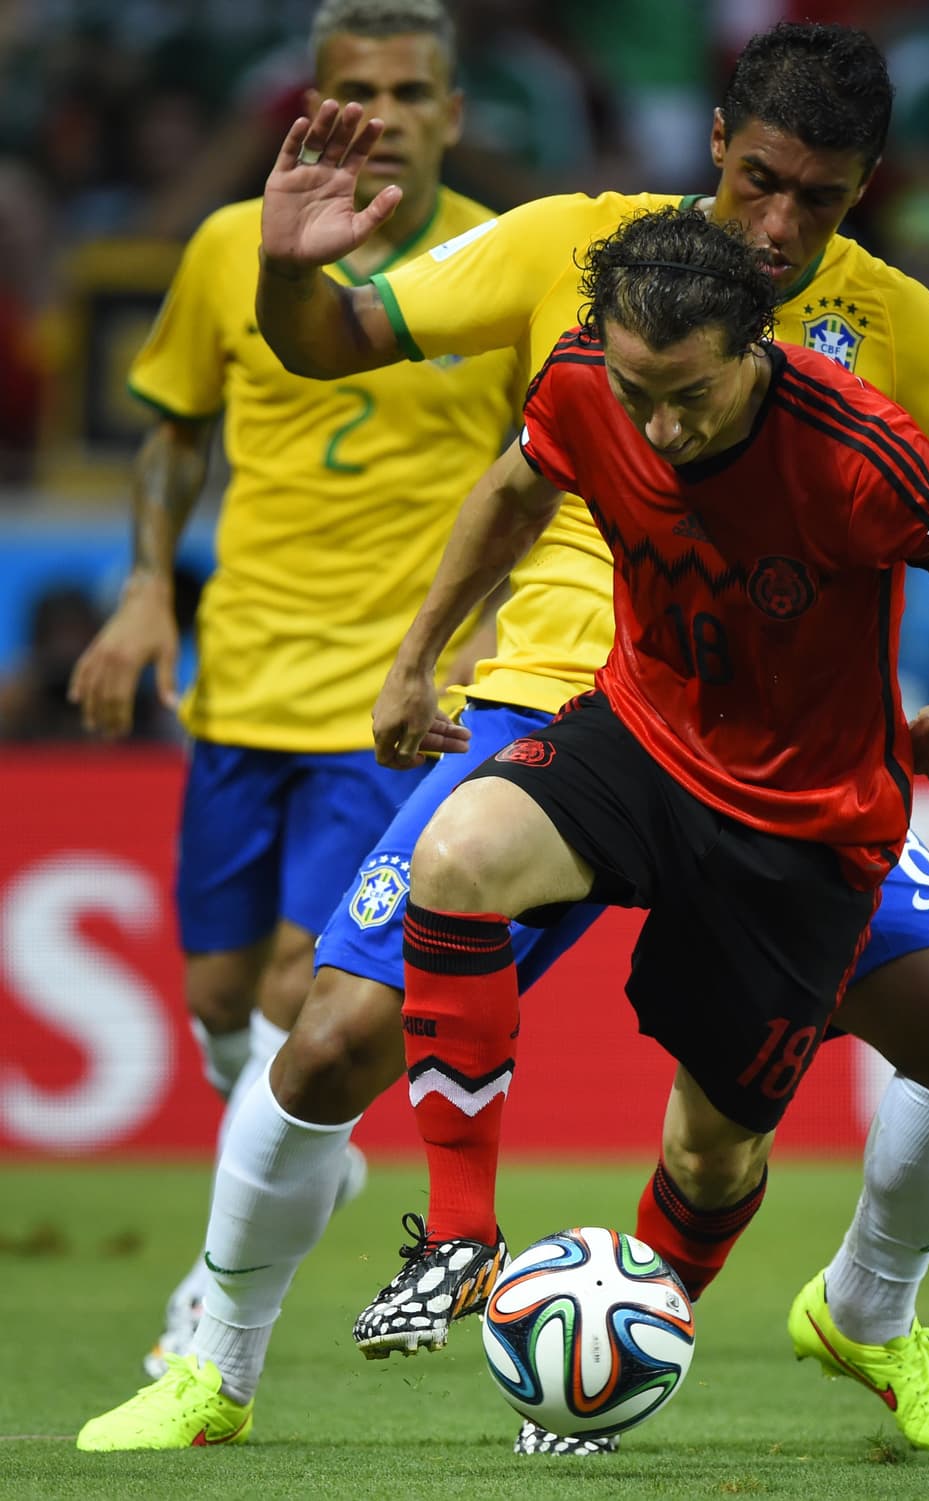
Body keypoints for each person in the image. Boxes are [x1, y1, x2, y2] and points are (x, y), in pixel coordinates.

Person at [77, 21, 929, 1458]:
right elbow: (341, 354)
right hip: (575, 711)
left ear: (865, 187)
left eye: (820, 199)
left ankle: (868, 1312)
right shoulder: (572, 251)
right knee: (325, 1043)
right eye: (760, 181)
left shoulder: (888, 332)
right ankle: (216, 1366)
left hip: (789, 765)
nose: (780, 224)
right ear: (711, 143)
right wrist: (286, 265)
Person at [67, 0, 521, 1382]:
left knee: (287, 992)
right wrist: (150, 585)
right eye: (354, 86)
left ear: (453, 109)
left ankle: (210, 1311)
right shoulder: (228, 249)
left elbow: (546, 471)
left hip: (391, 702)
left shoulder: (504, 265)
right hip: (239, 682)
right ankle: (295, 1167)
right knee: (218, 997)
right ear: (312, 101)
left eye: (409, 88)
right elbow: (172, 433)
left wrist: (496, 636)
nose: (380, 110)